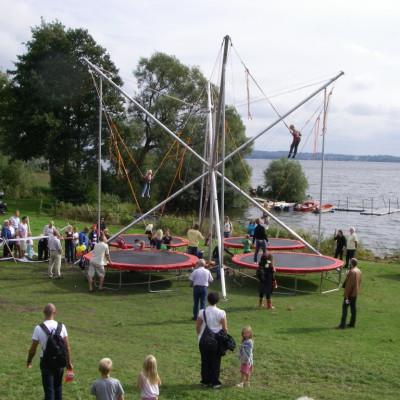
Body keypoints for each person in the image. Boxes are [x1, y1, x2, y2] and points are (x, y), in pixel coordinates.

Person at [27, 303, 73, 400]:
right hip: (60, 361)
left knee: (49, 390)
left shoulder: (39, 328)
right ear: (55, 312)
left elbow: (33, 349)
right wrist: (68, 363)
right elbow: (67, 347)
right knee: (58, 387)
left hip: (46, 361)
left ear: (44, 313)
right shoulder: (62, 326)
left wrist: (29, 360)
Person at [196, 292, 228, 389]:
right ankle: (215, 382)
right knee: (215, 362)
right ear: (217, 301)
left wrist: (200, 336)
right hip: (216, 341)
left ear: (208, 300)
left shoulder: (202, 312)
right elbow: (225, 329)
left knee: (205, 361)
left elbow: (197, 326)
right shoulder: (221, 313)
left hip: (203, 340)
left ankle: (205, 381)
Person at [336, 258, 362, 329]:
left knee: (345, 308)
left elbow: (349, 285)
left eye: (350, 263)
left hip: (349, 295)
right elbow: (359, 282)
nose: (349, 264)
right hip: (355, 293)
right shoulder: (359, 270)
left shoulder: (352, 272)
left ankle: (342, 325)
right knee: (353, 308)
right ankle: (352, 324)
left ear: (351, 263)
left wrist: (346, 296)